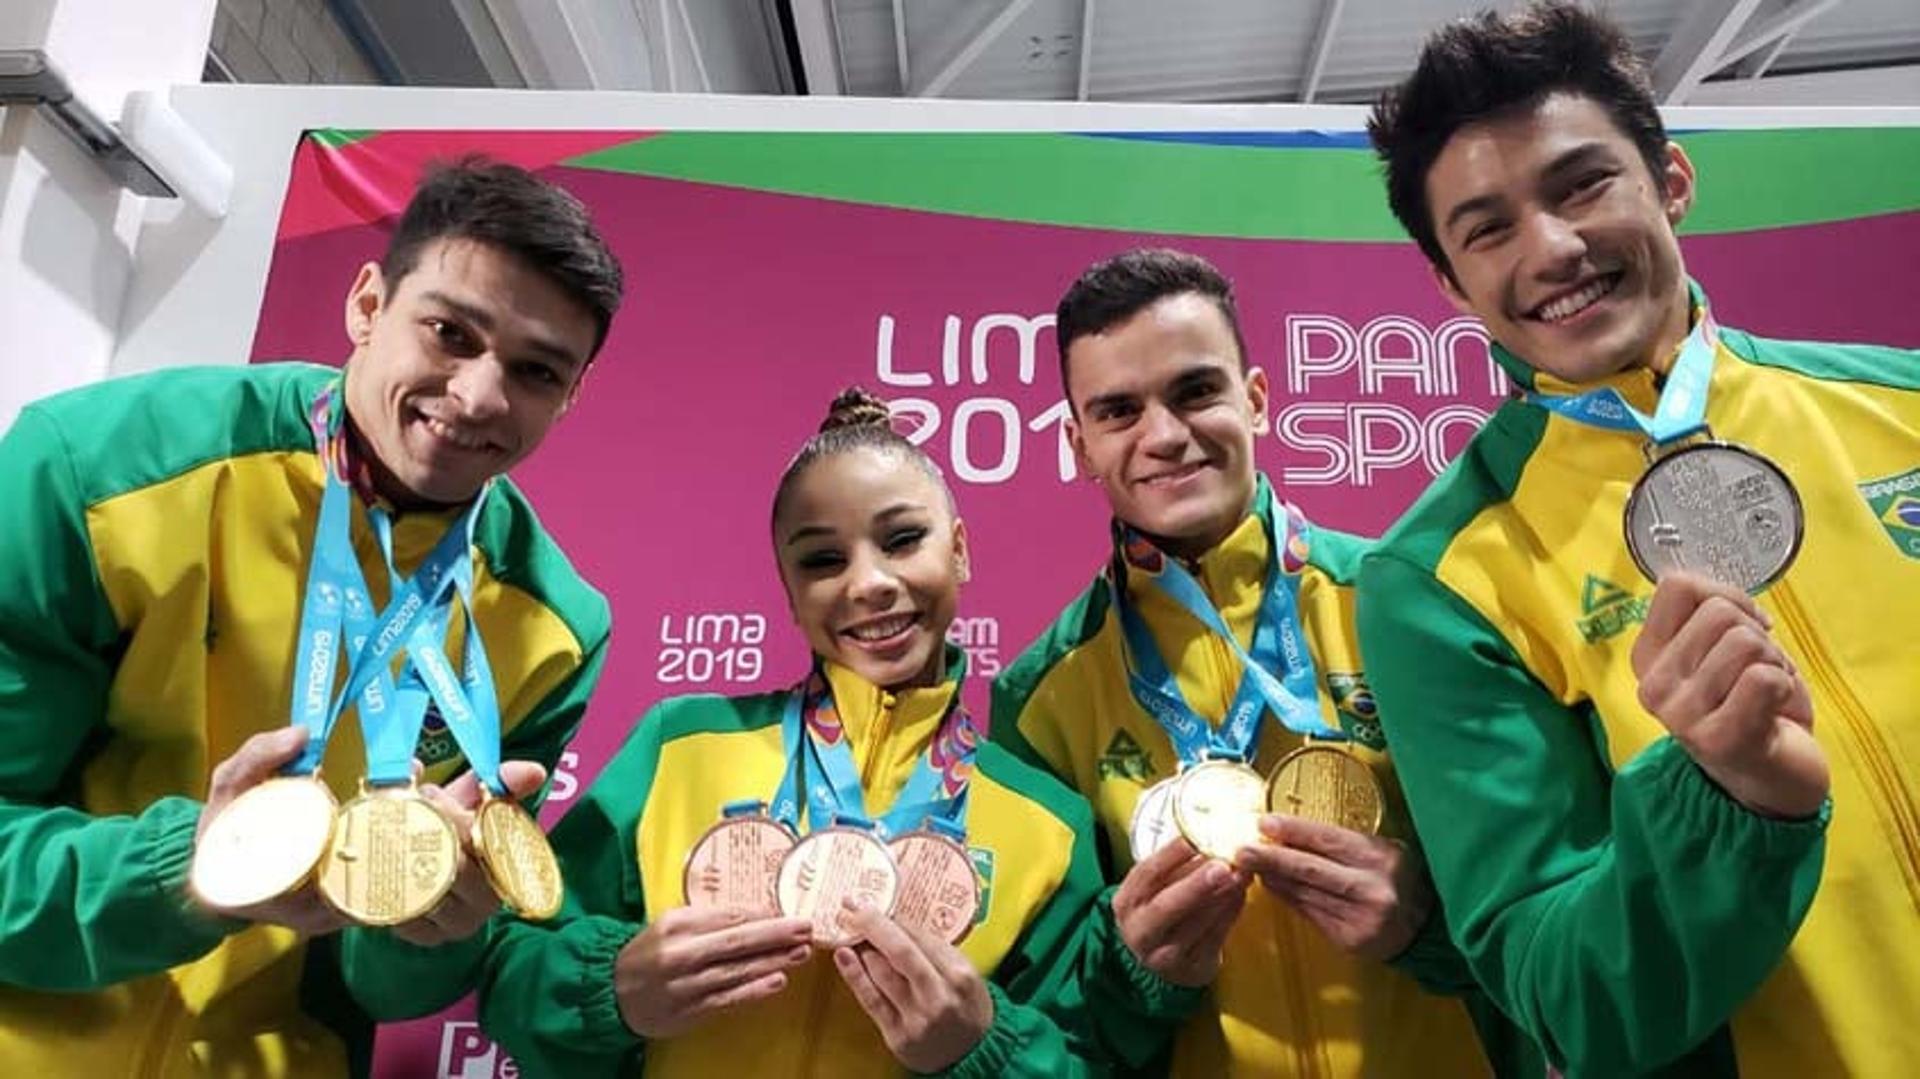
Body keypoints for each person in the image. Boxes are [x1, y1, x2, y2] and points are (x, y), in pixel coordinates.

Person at [1358, 4, 1920, 1075]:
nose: (1553, 248)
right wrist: (1722, 795)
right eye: (1488, 228)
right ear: (1448, 282)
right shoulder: (1442, 577)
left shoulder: (1904, 404)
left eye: (1582, 185)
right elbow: (1570, 1000)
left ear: (1671, 179)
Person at [0, 158, 623, 1075]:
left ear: (570, 399)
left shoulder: (556, 627)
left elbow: (380, 989)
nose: (483, 395)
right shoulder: (96, 468)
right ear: (368, 304)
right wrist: (185, 870)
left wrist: (430, 931)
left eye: (535, 371)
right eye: (450, 332)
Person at [478, 388, 1168, 1077]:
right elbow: (512, 964)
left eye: (902, 540)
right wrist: (611, 991)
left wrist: (981, 1047)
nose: (868, 583)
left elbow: (1091, 1058)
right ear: (787, 588)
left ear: (958, 549)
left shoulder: (1048, 822)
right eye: (822, 560)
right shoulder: (680, 745)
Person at [993, 248, 1530, 1076]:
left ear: (1256, 399)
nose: (1165, 435)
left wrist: (1429, 928)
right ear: (1078, 444)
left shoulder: (1411, 603)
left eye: (1196, 390)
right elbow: (1056, 1023)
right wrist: (1139, 972)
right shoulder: (1041, 697)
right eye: (1119, 411)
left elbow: (1556, 917)